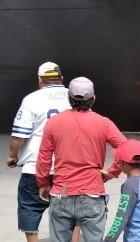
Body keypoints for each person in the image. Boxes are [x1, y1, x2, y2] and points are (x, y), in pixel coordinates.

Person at [36, 76, 127, 242]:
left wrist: (42, 183)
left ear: (69, 98)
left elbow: (44, 157)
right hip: (92, 194)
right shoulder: (104, 123)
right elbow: (126, 148)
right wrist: (111, 172)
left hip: (61, 193)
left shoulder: (53, 123)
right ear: (93, 99)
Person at [4, 62, 80, 242]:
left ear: (40, 81)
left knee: (30, 208)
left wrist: (12, 157)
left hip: (35, 168)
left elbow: (19, 135)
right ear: (61, 79)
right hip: (69, 168)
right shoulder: (75, 96)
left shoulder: (31, 99)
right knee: (73, 212)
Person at [104, 139, 140, 242]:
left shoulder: (129, 186)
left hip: (135, 238)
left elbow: (121, 218)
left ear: (122, 163)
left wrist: (109, 240)